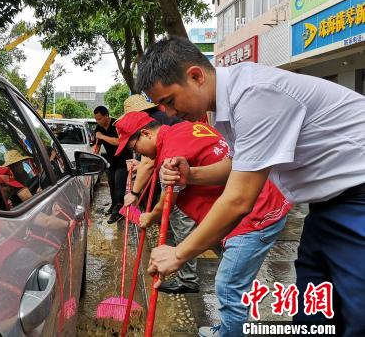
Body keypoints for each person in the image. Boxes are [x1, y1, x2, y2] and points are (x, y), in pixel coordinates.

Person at [136, 36, 365, 336]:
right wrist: (190, 176)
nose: (167, 113)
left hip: (358, 197)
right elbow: (239, 165)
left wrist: (179, 254)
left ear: (195, 76)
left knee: (357, 311)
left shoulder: (256, 95)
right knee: (315, 310)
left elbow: (239, 199)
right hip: (327, 205)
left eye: (168, 101)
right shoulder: (225, 108)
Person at [115, 111, 290, 336]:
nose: (136, 153)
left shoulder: (171, 152)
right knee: (231, 279)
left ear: (146, 134)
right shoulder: (184, 128)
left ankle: (230, 332)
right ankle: (228, 327)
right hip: (248, 206)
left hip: (253, 216)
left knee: (228, 286)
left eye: (134, 147)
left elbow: (167, 202)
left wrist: (149, 217)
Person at [119, 94, 199, 294]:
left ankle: (188, 280)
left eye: (134, 146)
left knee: (182, 223)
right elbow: (149, 161)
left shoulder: (160, 129)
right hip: (188, 175)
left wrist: (134, 194)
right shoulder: (163, 121)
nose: (137, 150)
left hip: (253, 210)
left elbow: (148, 163)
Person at [93, 105, 132, 224]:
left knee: (119, 188)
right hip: (111, 162)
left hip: (123, 160)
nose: (97, 121)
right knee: (112, 186)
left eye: (99, 119)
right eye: (96, 119)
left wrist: (102, 136)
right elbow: (97, 145)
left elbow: (119, 142)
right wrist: (94, 156)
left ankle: (118, 212)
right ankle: (114, 205)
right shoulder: (98, 128)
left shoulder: (117, 124)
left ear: (106, 116)